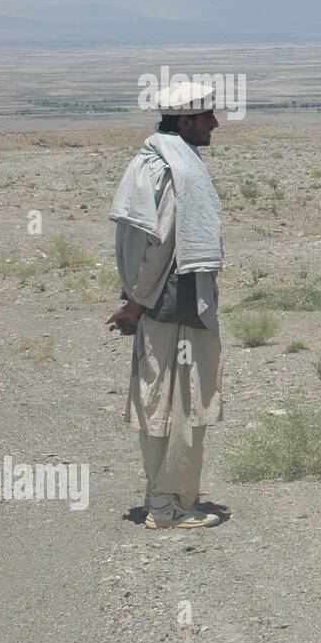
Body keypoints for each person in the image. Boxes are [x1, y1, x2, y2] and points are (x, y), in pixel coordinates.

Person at [107, 81, 225, 529]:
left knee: (158, 396)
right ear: (186, 121)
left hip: (162, 302)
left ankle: (163, 499)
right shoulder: (179, 170)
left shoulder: (153, 159)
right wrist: (137, 304)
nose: (214, 124)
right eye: (208, 117)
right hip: (176, 304)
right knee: (179, 403)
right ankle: (169, 505)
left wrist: (136, 300)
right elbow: (159, 245)